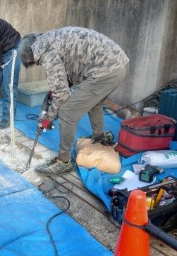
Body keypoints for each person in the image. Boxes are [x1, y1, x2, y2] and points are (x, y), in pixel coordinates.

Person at [18, 26, 129, 176]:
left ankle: (63, 162)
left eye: (35, 62)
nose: (37, 64)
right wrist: (52, 101)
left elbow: (62, 94)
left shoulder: (46, 53)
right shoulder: (49, 39)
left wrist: (48, 117)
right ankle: (100, 137)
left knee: (67, 113)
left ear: (32, 56)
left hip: (107, 70)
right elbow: (69, 73)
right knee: (93, 101)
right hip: (118, 63)